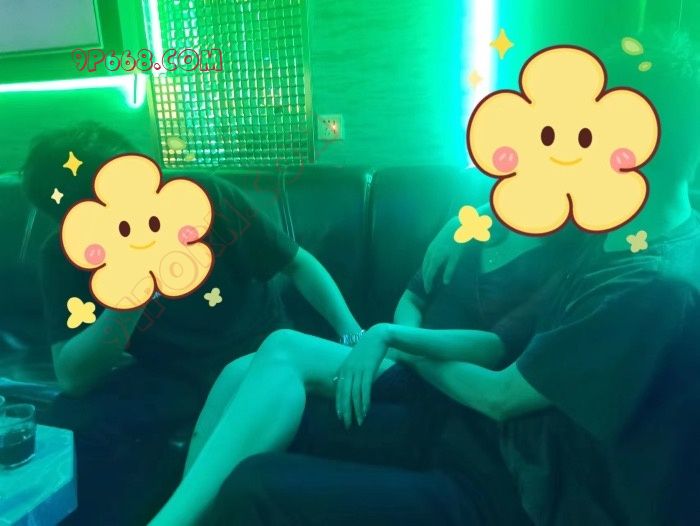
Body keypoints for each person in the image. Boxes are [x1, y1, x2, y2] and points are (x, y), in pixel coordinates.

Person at [153, 27, 700, 526]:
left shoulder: (648, 285)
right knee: (253, 384)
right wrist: (468, 220)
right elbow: (504, 233)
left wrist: (393, 341)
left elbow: (499, 392)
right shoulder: (606, 232)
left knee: (255, 470)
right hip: (474, 436)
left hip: (505, 479)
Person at [21, 123, 364, 525]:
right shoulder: (64, 253)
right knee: (70, 422)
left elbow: (298, 263)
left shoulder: (202, 198)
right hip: (167, 373)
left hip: (257, 355)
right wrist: (129, 300)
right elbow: (72, 376)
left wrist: (352, 335)